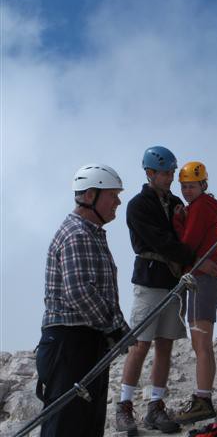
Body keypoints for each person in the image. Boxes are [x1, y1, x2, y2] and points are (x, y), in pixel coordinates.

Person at [116, 146, 217, 435]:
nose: (170, 176)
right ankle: (124, 406)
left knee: (165, 344)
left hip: (172, 281)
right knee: (140, 344)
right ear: (150, 173)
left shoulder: (175, 202)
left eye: (172, 172)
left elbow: (189, 234)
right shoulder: (139, 205)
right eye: (165, 172)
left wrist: (205, 256)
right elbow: (162, 242)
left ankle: (155, 406)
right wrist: (198, 259)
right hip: (150, 281)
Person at [36, 164, 132, 437]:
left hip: (84, 342)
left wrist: (116, 330)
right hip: (69, 344)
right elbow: (79, 291)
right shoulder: (77, 235)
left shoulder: (90, 233)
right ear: (90, 195)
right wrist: (115, 328)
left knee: (86, 424)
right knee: (66, 426)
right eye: (112, 195)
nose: (118, 202)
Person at [172, 161, 217, 424]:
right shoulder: (204, 207)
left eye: (191, 186)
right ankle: (203, 397)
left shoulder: (198, 208)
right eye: (184, 187)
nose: (186, 191)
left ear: (203, 185)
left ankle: (203, 400)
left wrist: (176, 220)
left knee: (201, 345)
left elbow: (187, 243)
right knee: (203, 345)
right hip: (206, 281)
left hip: (200, 282)